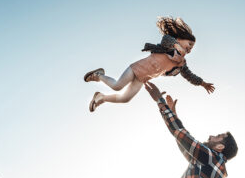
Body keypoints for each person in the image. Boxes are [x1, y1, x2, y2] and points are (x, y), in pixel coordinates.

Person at [84, 16, 215, 112]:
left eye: (192, 48)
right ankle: (99, 75)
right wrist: (176, 45)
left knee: (125, 98)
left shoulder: (181, 63)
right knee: (118, 86)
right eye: (190, 44)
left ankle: (101, 98)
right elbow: (166, 39)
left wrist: (203, 84)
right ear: (179, 39)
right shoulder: (169, 45)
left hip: (142, 79)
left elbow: (190, 76)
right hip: (135, 69)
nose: (190, 49)